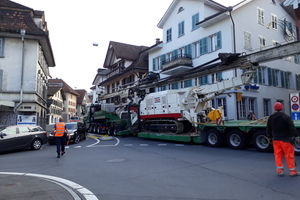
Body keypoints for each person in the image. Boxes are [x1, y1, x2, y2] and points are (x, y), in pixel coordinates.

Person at [267, 102, 300, 177]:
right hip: (286, 139)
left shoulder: (271, 117)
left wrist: (269, 137)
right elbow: (292, 127)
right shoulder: (286, 117)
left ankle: (279, 171)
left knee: (278, 155)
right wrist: (296, 136)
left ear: (274, 108)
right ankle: (293, 171)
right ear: (282, 107)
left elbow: (268, 128)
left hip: (275, 139)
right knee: (289, 155)